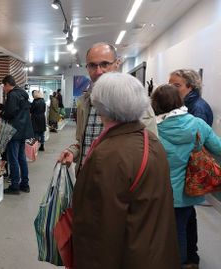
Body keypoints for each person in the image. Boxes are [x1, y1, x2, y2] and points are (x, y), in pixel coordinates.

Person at [72, 73, 180, 269]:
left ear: (101, 105)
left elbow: (97, 228)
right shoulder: (151, 140)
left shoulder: (108, 155)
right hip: (151, 251)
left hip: (125, 256)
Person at [58, 42, 158, 174]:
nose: (99, 71)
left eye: (104, 64)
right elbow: (83, 140)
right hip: (86, 179)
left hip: (117, 185)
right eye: (92, 65)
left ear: (117, 63)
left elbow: (150, 151)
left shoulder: (136, 103)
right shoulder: (85, 102)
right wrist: (73, 152)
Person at [151, 84, 221, 268]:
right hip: (189, 190)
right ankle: (188, 260)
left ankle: (175, 261)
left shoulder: (152, 129)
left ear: (155, 104)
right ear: (179, 101)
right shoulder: (197, 124)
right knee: (184, 225)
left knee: (169, 231)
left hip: (161, 192)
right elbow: (219, 148)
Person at [169, 69, 213, 268]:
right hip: (184, 176)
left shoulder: (197, 109)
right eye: (170, 84)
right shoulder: (185, 105)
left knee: (183, 222)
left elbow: (200, 142)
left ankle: (187, 259)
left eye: (177, 85)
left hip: (189, 174)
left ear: (190, 87)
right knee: (186, 219)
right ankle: (189, 257)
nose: (171, 88)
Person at [0, 75, 34, 194]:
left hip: (14, 131)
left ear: (8, 84)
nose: (4, 89)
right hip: (23, 131)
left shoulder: (12, 94)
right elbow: (18, 110)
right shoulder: (22, 94)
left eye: (4, 86)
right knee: (21, 158)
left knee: (12, 158)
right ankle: (25, 184)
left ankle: (14, 186)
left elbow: (10, 113)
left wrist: (1, 113)